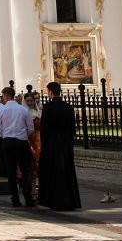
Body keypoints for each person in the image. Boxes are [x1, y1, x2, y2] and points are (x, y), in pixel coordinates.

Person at [37, 81, 81, 211]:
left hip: (52, 144)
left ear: (50, 92)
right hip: (65, 144)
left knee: (54, 172)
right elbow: (73, 128)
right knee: (67, 171)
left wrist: (43, 144)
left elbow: (44, 128)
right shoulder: (68, 107)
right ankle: (70, 200)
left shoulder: (48, 107)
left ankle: (55, 200)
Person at [0, 86, 35, 207]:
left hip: (8, 141)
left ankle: (15, 199)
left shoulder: (1, 110)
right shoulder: (23, 109)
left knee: (11, 170)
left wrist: (5, 134)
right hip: (22, 141)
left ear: (6, 96)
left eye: (3, 96)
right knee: (26, 170)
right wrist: (23, 134)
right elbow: (30, 128)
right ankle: (28, 198)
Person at [24, 92, 42, 199]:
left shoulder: (37, 111)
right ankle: (31, 189)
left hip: (38, 139)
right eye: (28, 101)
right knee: (31, 165)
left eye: (31, 101)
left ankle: (36, 188)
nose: (30, 103)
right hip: (29, 139)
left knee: (38, 164)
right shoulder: (24, 112)